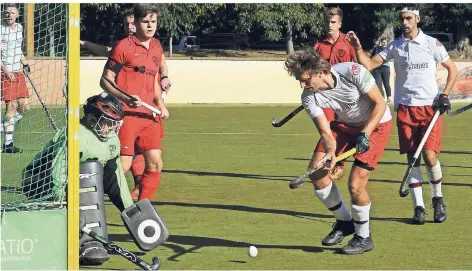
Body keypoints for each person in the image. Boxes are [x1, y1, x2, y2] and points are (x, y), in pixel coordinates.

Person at [346, 7, 457, 224]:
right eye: (402, 19)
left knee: (430, 156)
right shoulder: (396, 46)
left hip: (430, 108)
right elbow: (369, 65)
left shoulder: (431, 43)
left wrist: (444, 94)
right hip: (406, 109)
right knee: (411, 159)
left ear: (417, 19)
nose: (405, 22)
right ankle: (418, 207)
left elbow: (451, 69)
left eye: (408, 18)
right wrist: (358, 48)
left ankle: (437, 200)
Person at [285, 48, 392, 255]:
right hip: (343, 126)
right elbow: (325, 132)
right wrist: (330, 152)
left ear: (318, 72)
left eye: (305, 80)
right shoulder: (308, 97)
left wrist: (366, 133)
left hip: (376, 124)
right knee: (317, 173)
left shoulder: (352, 72)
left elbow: (380, 103)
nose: (302, 85)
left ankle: (363, 237)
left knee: (355, 184)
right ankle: (345, 222)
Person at [22, 92, 133, 265]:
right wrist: (60, 205)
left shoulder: (112, 141)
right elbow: (57, 174)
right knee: (85, 178)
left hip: (76, 181)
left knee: (90, 176)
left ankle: (88, 242)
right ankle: (78, 242)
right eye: (108, 123)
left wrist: (131, 212)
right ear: (92, 119)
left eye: (115, 124)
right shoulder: (75, 135)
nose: (112, 128)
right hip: (40, 181)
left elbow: (115, 179)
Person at [80, 8, 171, 200]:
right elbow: (105, 80)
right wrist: (126, 97)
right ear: (136, 23)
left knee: (155, 163)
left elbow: (153, 79)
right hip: (126, 115)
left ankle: (143, 207)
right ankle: (86, 194)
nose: (149, 26)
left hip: (148, 115)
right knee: (124, 165)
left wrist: (160, 104)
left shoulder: (156, 46)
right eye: (145, 21)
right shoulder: (123, 47)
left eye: (153, 22)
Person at [313, 7, 357, 181]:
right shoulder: (319, 44)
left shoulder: (348, 43)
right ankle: (335, 161)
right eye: (327, 22)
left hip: (346, 96)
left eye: (333, 22)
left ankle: (340, 162)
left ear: (340, 23)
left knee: (346, 128)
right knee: (329, 129)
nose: (330, 26)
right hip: (326, 96)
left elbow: (358, 67)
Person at [1, 3, 31, 153]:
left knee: (25, 107)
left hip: (18, 72)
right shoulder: (0, 30)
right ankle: (8, 144)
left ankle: (2, 126)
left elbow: (18, 49)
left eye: (12, 12)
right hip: (5, 73)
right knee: (11, 107)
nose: (9, 15)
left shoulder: (19, 28)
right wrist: (6, 71)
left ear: (17, 15)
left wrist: (25, 63)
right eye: (7, 12)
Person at [370, 37, 392, 102]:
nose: (384, 43)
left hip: (385, 67)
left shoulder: (388, 49)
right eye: (383, 42)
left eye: (385, 42)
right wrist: (378, 47)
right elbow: (373, 56)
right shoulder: (377, 48)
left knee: (386, 83)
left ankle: (389, 97)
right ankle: (379, 97)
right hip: (377, 68)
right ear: (381, 42)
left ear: (387, 43)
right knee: (377, 83)